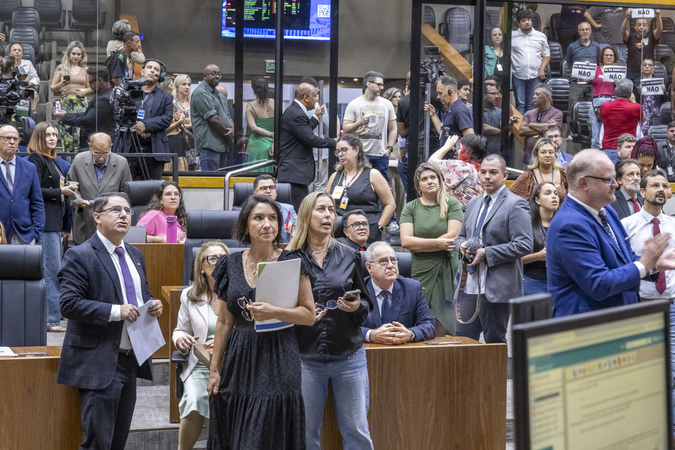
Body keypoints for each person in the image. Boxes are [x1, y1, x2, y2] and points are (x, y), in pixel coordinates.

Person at [206, 195, 321, 449]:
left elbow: (309, 315)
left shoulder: (293, 261)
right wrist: (215, 370)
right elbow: (224, 322)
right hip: (240, 357)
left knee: (265, 432)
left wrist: (275, 312)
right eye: (258, 218)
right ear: (246, 224)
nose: (267, 224)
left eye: (272, 218)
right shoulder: (230, 263)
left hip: (279, 356)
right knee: (238, 428)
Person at [57, 192, 163, 450]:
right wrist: (117, 311)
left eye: (127, 211)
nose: (124, 215)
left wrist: (152, 305)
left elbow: (140, 295)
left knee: (117, 442)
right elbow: (69, 304)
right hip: (99, 361)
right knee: (98, 444)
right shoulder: (80, 255)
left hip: (130, 359)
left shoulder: (135, 255)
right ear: (97, 217)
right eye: (116, 210)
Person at [285, 192, 373, 450]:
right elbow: (279, 308)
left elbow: (366, 305)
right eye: (320, 209)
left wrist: (356, 307)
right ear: (306, 215)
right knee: (305, 431)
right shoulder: (289, 258)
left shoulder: (349, 255)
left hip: (349, 356)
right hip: (305, 357)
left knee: (357, 429)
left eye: (331, 210)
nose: (327, 215)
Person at [546, 149, 674, 317]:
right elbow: (599, 284)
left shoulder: (607, 211)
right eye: (609, 180)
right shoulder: (569, 225)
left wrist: (655, 264)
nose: (616, 184)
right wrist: (644, 264)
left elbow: (625, 260)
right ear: (584, 183)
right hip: (587, 328)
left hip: (618, 321)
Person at [455, 154, 533, 343]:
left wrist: (486, 253)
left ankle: (494, 375)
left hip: (496, 288)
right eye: (483, 172)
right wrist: (462, 246)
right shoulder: (473, 202)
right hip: (469, 285)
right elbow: (461, 236)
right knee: (462, 342)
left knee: (494, 342)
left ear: (505, 175)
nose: (487, 177)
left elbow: (524, 244)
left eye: (493, 172)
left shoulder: (516, 204)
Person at [620, 169, 675, 430]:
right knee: (640, 371)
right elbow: (621, 266)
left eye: (665, 185)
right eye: (654, 185)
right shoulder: (626, 226)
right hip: (639, 307)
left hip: (671, 308)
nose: (661, 189)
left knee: (672, 373)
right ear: (642, 192)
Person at [172, 241, 229, 450]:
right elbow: (180, 330)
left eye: (223, 258)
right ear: (202, 267)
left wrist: (226, 341)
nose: (218, 262)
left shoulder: (240, 292)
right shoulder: (190, 295)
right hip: (202, 366)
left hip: (234, 364)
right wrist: (180, 340)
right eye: (212, 258)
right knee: (195, 400)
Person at [400, 163, 463, 334]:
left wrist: (420, 245)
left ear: (440, 180)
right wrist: (437, 244)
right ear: (418, 185)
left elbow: (451, 238)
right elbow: (406, 241)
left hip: (446, 269)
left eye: (433, 177)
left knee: (445, 321)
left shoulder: (452, 204)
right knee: (420, 316)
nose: (429, 181)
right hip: (421, 269)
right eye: (424, 179)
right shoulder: (411, 208)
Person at [26, 122, 74, 332]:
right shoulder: (36, 158)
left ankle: (53, 316)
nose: (53, 138)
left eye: (55, 134)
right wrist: (60, 192)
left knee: (55, 270)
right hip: (44, 223)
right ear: (39, 138)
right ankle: (50, 319)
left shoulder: (52, 161)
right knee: (50, 271)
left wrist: (65, 225)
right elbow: (34, 191)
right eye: (48, 135)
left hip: (55, 222)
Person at [362, 241, 436, 344]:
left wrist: (411, 334)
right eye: (383, 261)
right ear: (369, 267)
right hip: (368, 354)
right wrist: (370, 335)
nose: (391, 265)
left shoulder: (413, 288)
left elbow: (429, 324)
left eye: (393, 260)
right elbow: (344, 328)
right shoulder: (359, 291)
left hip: (403, 352)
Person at [326, 134, 396, 242]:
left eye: (344, 150)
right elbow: (327, 204)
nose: (340, 154)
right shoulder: (334, 177)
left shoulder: (373, 174)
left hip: (367, 231)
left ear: (356, 150)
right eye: (338, 151)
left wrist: (379, 227)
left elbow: (390, 204)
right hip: (340, 231)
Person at [278, 82, 336, 210]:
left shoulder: (295, 111)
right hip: (294, 173)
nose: (317, 99)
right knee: (296, 211)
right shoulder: (296, 114)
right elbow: (310, 139)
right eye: (315, 96)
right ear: (306, 97)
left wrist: (316, 116)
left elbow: (304, 132)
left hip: (294, 173)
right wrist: (335, 142)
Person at [67, 133, 132, 244]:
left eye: (105, 153)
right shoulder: (79, 160)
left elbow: (126, 193)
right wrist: (79, 201)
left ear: (111, 147)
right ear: (89, 147)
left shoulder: (121, 163)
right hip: (84, 221)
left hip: (112, 222)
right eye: (97, 153)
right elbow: (71, 190)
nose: (101, 158)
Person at [342, 71, 397, 184]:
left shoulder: (387, 104)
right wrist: (359, 122)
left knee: (381, 188)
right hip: (360, 154)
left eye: (382, 85)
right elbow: (346, 128)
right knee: (358, 185)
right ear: (369, 84)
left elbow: (393, 128)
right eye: (379, 84)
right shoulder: (355, 104)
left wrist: (389, 149)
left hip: (380, 155)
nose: (381, 88)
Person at [125, 59, 174, 180]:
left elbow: (167, 119)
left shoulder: (166, 97)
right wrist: (137, 128)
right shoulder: (128, 92)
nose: (152, 71)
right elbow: (118, 114)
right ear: (142, 71)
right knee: (127, 187)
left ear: (160, 76)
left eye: (156, 69)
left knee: (153, 190)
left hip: (154, 149)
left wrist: (146, 125)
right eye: (149, 67)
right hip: (130, 146)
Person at [54, 66, 116, 151]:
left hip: (98, 145)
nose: (89, 85)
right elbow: (88, 114)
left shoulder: (104, 99)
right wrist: (66, 114)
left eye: (90, 82)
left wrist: (65, 116)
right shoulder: (105, 94)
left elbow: (87, 120)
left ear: (99, 81)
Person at [0, 125, 44, 244]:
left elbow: (37, 203)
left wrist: (35, 234)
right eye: (7, 138)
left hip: (24, 236)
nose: (12, 142)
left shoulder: (29, 168)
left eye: (15, 139)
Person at [191, 64, 234, 172]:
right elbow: (213, 118)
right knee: (210, 181)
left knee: (223, 182)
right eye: (213, 73)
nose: (217, 76)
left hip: (223, 145)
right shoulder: (200, 92)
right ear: (204, 76)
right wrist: (228, 134)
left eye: (219, 74)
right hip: (209, 146)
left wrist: (232, 129)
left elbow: (227, 115)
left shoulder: (219, 94)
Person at [49, 41, 90, 152]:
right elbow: (53, 88)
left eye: (78, 54)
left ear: (82, 56)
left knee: (82, 131)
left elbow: (90, 87)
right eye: (73, 54)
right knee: (67, 133)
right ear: (68, 54)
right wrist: (61, 84)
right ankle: (68, 158)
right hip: (65, 102)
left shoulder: (86, 69)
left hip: (80, 102)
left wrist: (85, 91)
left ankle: (82, 155)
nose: (76, 56)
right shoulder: (61, 68)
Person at [428, 134, 486, 211]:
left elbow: (431, 162)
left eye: (460, 148)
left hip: (459, 217)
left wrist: (447, 146)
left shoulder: (463, 167)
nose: (457, 151)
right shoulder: (481, 169)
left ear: (466, 151)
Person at [522, 182, 559, 295]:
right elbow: (513, 259)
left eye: (556, 193)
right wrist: (538, 256)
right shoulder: (526, 223)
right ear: (537, 200)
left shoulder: (561, 223)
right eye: (548, 193)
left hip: (558, 282)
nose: (554, 196)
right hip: (533, 282)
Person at [511, 9, 550, 114]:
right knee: (520, 104)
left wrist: (542, 69)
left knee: (531, 104)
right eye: (523, 20)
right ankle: (519, 129)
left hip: (535, 75)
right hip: (518, 75)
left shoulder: (540, 36)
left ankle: (528, 128)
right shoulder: (512, 36)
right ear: (519, 24)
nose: (527, 22)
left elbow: (547, 55)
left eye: (528, 19)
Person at [600, 78, 644, 164]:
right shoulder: (635, 107)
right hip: (629, 149)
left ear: (616, 91)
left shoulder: (604, 106)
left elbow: (602, 117)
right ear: (630, 93)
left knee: (610, 176)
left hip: (609, 148)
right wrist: (634, 101)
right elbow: (643, 119)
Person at [519, 84, 563, 168]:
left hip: (548, 160)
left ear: (547, 96)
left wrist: (530, 124)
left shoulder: (557, 113)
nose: (534, 96)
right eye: (534, 94)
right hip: (528, 159)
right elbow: (521, 131)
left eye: (537, 94)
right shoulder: (529, 113)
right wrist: (545, 127)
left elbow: (551, 130)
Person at [510, 137, 568, 202]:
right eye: (543, 152)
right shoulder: (528, 177)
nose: (547, 155)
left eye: (551, 152)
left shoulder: (564, 175)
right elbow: (511, 198)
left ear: (555, 154)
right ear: (536, 155)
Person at [382, 87, 406, 223]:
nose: (398, 99)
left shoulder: (402, 113)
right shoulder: (386, 114)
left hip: (400, 150)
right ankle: (390, 218)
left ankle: (400, 217)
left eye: (399, 97)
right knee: (390, 185)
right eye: (394, 97)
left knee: (401, 185)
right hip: (388, 148)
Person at [250, 174, 297, 243]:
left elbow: (297, 231)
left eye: (271, 187)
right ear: (255, 194)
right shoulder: (249, 211)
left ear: (276, 192)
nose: (268, 191)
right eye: (264, 188)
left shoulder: (288, 210)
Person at [428, 75, 474, 146]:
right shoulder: (450, 109)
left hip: (455, 157)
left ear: (450, 92)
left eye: (440, 93)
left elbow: (470, 139)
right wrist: (433, 115)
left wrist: (459, 153)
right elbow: (443, 133)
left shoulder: (459, 110)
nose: (438, 97)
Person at [565, 22, 601, 111]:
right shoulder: (572, 46)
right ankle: (572, 125)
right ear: (579, 32)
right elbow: (569, 63)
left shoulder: (596, 46)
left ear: (591, 31)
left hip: (592, 83)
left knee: (593, 109)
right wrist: (580, 69)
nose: (585, 32)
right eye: (582, 30)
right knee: (573, 107)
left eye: (587, 29)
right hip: (576, 83)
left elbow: (599, 62)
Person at [590, 46, 619, 150]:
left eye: (611, 55)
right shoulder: (595, 69)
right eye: (606, 55)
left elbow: (624, 89)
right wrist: (586, 68)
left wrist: (618, 83)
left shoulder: (619, 71)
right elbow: (582, 80)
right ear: (601, 57)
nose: (609, 57)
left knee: (612, 134)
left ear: (614, 57)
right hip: (597, 103)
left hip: (614, 102)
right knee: (596, 137)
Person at [622, 8, 663, 80]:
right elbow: (623, 31)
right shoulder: (631, 38)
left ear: (647, 27)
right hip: (632, 73)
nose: (642, 27)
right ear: (635, 27)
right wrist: (627, 18)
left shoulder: (651, 37)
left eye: (644, 25)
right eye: (639, 25)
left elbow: (659, 30)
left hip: (647, 73)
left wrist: (658, 16)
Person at [245, 76, 275, 171]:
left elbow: (253, 128)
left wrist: (270, 134)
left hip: (257, 145)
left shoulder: (250, 106)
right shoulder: (276, 103)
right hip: (273, 145)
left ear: (254, 90)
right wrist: (275, 139)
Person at [634, 59, 667, 134]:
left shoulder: (659, 82)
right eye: (645, 65)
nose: (647, 67)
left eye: (650, 65)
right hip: (642, 115)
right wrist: (639, 92)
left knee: (655, 135)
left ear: (653, 68)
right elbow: (634, 101)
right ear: (641, 68)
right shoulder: (636, 82)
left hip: (655, 114)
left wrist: (663, 91)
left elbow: (665, 99)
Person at [482, 82, 503, 157]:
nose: (497, 96)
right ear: (484, 95)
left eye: (497, 94)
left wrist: (510, 122)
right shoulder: (473, 111)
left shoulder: (499, 111)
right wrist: (500, 131)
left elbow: (504, 127)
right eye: (493, 94)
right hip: (479, 154)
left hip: (496, 154)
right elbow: (483, 127)